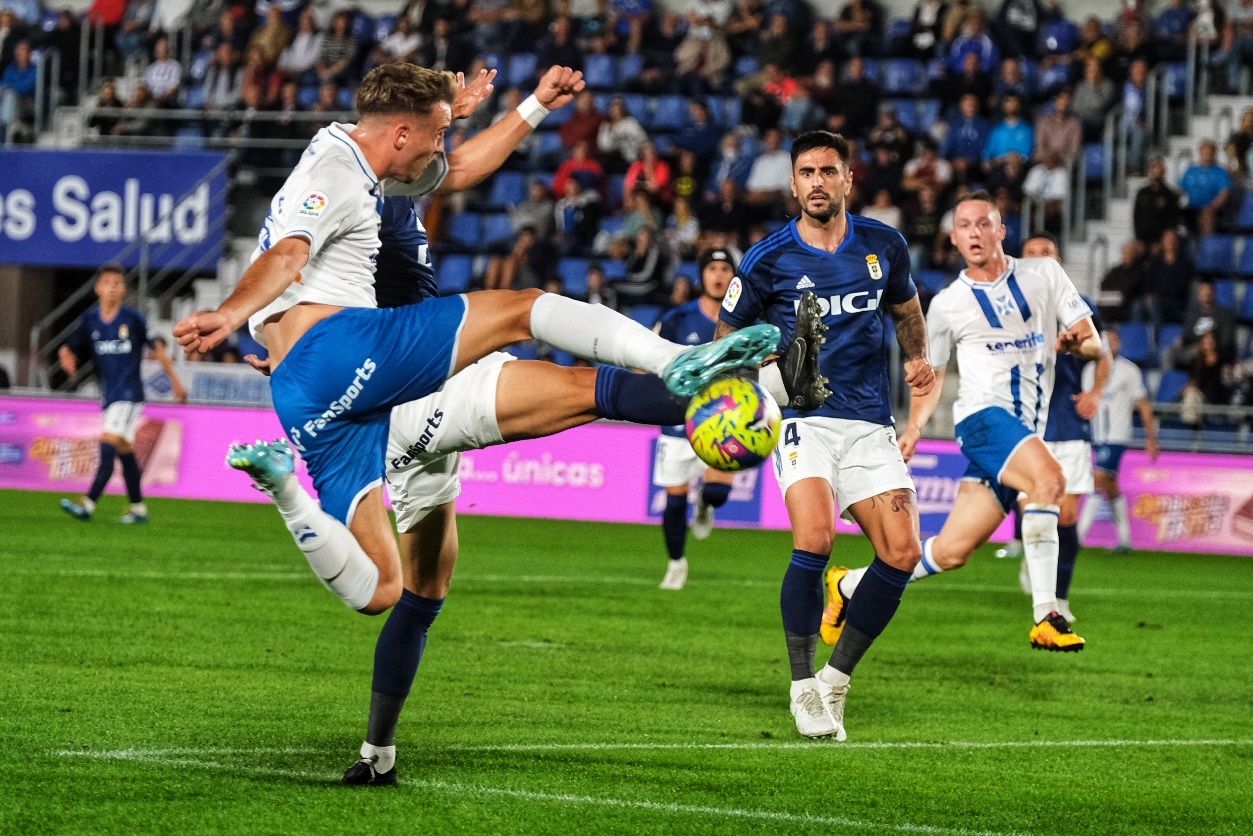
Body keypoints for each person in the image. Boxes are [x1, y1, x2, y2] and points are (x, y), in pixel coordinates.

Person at [717, 130, 936, 740]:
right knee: (814, 539)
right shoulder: (768, 259)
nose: (817, 181)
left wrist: (917, 357)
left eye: (828, 171)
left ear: (848, 179)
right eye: (806, 172)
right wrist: (754, 381)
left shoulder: (884, 245)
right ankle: (801, 686)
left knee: (901, 553)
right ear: (793, 183)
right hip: (802, 420)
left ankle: (836, 681)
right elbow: (724, 336)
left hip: (869, 423)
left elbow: (906, 310)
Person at [830, 192, 1104, 653]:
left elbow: (1095, 344)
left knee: (951, 551)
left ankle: (846, 586)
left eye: (983, 223)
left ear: (1001, 230)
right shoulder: (948, 304)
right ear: (953, 238)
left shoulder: (1044, 274)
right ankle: (1047, 614)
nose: (974, 233)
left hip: (1024, 431)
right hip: (981, 420)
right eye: (964, 226)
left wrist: (1078, 345)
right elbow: (932, 377)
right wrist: (915, 426)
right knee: (1049, 480)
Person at [1012, 233, 1111, 625]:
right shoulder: (1007, 306)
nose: (1038, 259)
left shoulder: (1078, 307)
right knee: (1038, 513)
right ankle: (1042, 589)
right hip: (1025, 426)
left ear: (1058, 261)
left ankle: (1060, 596)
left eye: (1046, 253)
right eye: (1032, 253)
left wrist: (1097, 392)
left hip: (1068, 425)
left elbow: (1102, 353)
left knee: (1066, 518)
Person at [59, 264, 188, 524]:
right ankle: (138, 509)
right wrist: (65, 355)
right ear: (98, 288)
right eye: (107, 283)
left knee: (107, 443)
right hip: (109, 395)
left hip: (128, 395)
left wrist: (176, 382)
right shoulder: (90, 320)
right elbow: (70, 345)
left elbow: (159, 350)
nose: (112, 288)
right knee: (125, 451)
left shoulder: (133, 319)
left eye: (117, 283)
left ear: (124, 288)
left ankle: (88, 504)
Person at [653, 249, 739, 591]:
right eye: (712, 268)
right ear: (701, 275)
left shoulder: (745, 318)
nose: (718, 275)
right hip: (678, 418)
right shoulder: (677, 318)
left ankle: (705, 504)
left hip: (724, 421)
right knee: (674, 500)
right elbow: (651, 357)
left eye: (725, 268)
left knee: (717, 492)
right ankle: (676, 563)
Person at [1076, 323, 1159, 553]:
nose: (1110, 344)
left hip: (1117, 436)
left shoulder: (1129, 370)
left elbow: (1143, 405)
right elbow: (1085, 403)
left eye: (1113, 340)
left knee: (1098, 479)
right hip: (1097, 435)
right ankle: (1125, 541)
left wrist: (1151, 438)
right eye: (1105, 340)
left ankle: (1078, 537)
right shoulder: (1088, 371)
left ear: (1119, 343)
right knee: (1110, 486)